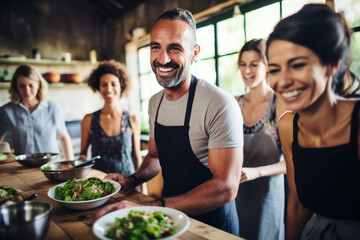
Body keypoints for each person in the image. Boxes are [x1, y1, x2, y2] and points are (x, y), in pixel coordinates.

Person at [97, 8, 244, 235]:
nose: (162, 59)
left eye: (175, 49)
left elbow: (226, 187)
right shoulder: (155, 102)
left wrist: (152, 207)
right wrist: (132, 179)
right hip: (167, 221)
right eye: (156, 47)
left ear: (195, 53)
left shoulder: (219, 103)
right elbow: (155, 156)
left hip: (211, 226)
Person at [266, 4, 360, 240]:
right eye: (274, 69)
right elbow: (298, 204)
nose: (283, 81)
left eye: (297, 65)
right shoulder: (288, 126)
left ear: (332, 65)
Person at [235, 39, 286, 240]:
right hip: (237, 196)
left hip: (268, 196)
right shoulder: (234, 104)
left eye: (254, 64)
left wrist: (257, 172)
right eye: (242, 64)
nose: (247, 70)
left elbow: (294, 162)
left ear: (266, 66)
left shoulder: (279, 103)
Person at [79, 60, 142, 176]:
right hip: (99, 185)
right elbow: (83, 154)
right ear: (98, 88)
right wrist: (79, 163)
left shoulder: (132, 119)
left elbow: (136, 157)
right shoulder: (88, 120)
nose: (109, 89)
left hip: (127, 184)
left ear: (121, 86)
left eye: (113, 84)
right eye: (104, 84)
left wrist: (142, 187)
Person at [0, 64, 73, 159]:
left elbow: (63, 138)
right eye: (22, 86)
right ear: (15, 86)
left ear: (38, 84)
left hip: (52, 166)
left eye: (31, 85)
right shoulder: (6, 111)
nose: (27, 90)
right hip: (23, 168)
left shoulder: (52, 108)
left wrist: (71, 165)